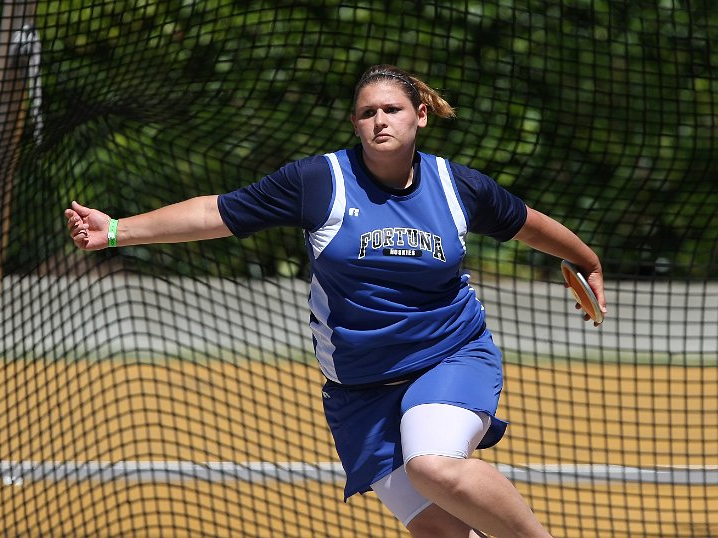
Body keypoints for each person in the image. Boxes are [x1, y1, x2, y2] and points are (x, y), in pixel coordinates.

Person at [65, 64, 606, 538]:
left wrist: (588, 260)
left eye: (392, 109)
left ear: (420, 115)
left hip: (449, 357)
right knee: (440, 529)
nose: (380, 120)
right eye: (367, 112)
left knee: (433, 464)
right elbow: (216, 213)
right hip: (359, 390)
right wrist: (116, 231)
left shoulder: (455, 186)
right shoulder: (319, 181)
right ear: (355, 123)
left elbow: (527, 224)